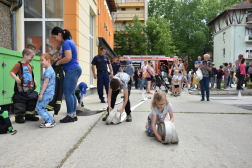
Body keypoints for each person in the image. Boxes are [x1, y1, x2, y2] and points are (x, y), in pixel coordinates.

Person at [51, 27, 82, 123]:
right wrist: (59, 57)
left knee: (68, 93)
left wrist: (58, 62)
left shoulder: (66, 43)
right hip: (74, 69)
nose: (55, 39)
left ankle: (70, 116)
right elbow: (66, 55)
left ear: (59, 34)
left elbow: (68, 58)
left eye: (55, 37)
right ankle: (73, 115)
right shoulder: (69, 41)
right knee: (71, 93)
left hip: (72, 70)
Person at [10, 48, 39, 123]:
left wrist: (34, 81)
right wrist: (17, 79)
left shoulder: (29, 65)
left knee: (31, 101)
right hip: (22, 88)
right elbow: (12, 72)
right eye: (31, 57)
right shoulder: (19, 65)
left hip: (30, 88)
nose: (32, 59)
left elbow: (31, 74)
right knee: (20, 101)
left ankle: (29, 115)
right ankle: (19, 117)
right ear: (25, 55)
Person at [36, 53, 56, 128]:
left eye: (42, 60)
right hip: (50, 93)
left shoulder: (48, 71)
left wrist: (41, 94)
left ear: (48, 61)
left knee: (39, 108)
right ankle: (51, 120)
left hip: (46, 93)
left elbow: (45, 83)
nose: (41, 62)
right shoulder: (51, 70)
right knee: (42, 107)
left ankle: (49, 121)